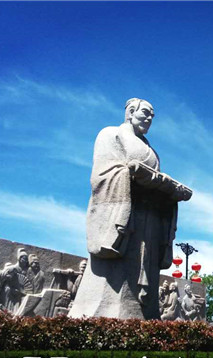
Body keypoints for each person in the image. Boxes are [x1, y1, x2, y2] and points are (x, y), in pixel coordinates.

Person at [69, 98, 191, 320]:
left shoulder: (151, 150)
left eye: (152, 116)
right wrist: (129, 174)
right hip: (124, 216)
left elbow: (153, 180)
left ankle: (143, 315)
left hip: (148, 221)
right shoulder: (111, 134)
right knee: (114, 280)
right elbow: (102, 174)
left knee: (144, 273)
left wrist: (168, 190)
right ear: (131, 112)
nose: (149, 118)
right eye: (145, 113)